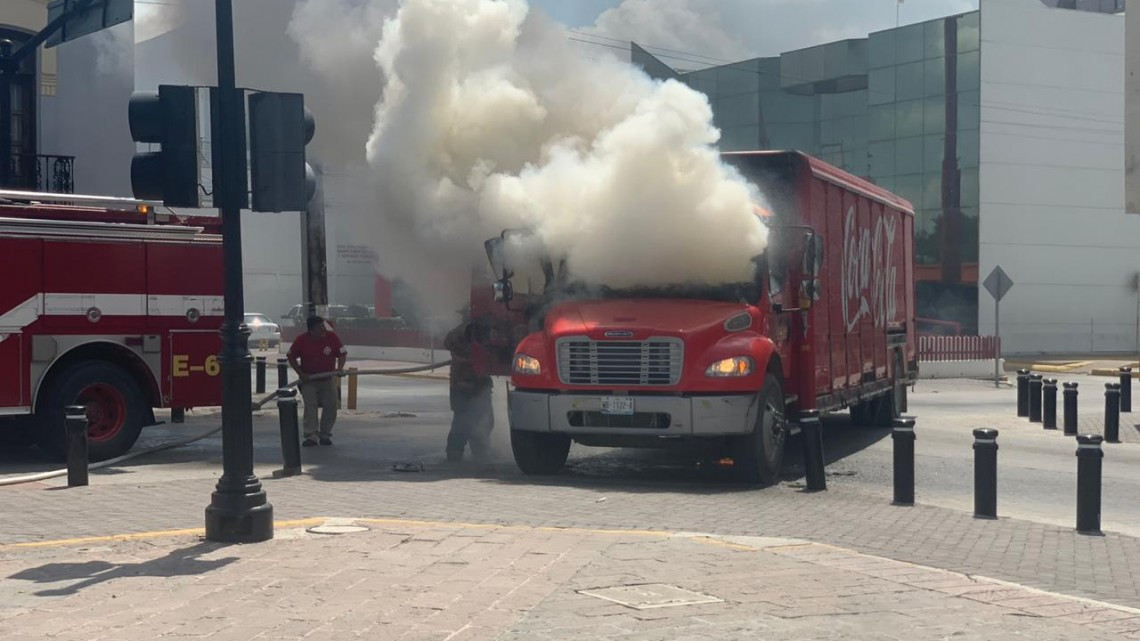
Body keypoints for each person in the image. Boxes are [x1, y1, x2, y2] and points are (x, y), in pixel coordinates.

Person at [287, 316, 347, 447]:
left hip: (327, 379)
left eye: (324, 327)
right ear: (311, 330)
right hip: (309, 380)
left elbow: (342, 354)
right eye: (320, 328)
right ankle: (311, 436)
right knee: (310, 407)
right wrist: (301, 374)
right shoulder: (301, 340)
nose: (323, 331)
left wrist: (339, 369)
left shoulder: (332, 337)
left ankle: (325, 434)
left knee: (331, 406)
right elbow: (290, 356)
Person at [444, 320, 494, 462]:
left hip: (479, 385)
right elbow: (448, 343)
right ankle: (454, 451)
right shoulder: (460, 333)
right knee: (463, 421)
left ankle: (480, 450)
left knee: (484, 420)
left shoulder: (481, 331)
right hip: (463, 385)